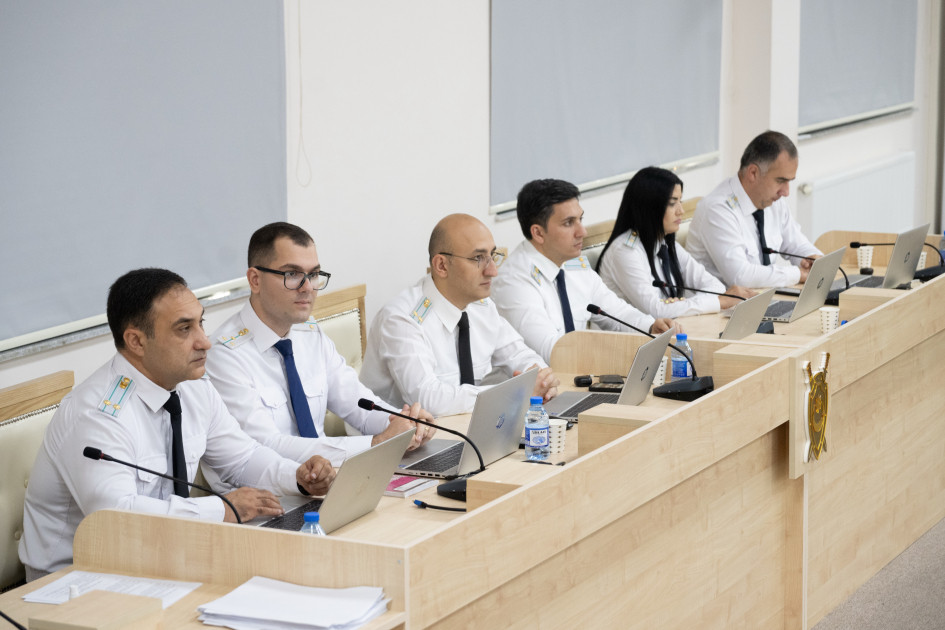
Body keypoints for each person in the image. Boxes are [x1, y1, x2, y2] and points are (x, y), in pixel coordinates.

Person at [19, 268, 336, 578]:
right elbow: (117, 517)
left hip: (165, 556)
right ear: (136, 341)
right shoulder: (97, 416)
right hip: (77, 579)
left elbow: (241, 457)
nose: (205, 342)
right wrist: (222, 509)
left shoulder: (193, 386)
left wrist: (297, 477)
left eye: (201, 323)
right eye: (184, 329)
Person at [205, 222, 434, 472]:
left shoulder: (309, 333)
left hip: (329, 476)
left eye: (313, 274)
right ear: (255, 280)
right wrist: (376, 444)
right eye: (292, 274)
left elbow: (359, 404)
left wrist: (403, 422)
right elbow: (266, 447)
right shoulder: (224, 355)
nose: (307, 287)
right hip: (268, 490)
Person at [360, 214, 560, 416]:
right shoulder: (402, 320)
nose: (492, 271)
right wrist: (513, 393)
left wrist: (542, 380)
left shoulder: (481, 306)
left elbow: (519, 354)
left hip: (463, 425)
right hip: (401, 433)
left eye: (492, 256)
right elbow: (427, 399)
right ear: (441, 266)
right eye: (478, 258)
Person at [491, 178, 676, 363]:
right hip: (542, 378)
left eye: (580, 219)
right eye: (568, 223)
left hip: (573, 372)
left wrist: (650, 326)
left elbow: (617, 312)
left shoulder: (572, 265)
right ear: (538, 233)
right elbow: (551, 351)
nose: (582, 232)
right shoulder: (514, 282)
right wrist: (611, 357)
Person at [596, 166, 754, 318]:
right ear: (650, 207)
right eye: (672, 203)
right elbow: (655, 311)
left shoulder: (665, 244)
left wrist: (682, 305)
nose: (681, 211)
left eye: (680, 201)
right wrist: (716, 302)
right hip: (633, 336)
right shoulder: (625, 252)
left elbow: (715, 286)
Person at [685, 130, 822, 288]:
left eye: (789, 182)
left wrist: (811, 259)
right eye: (780, 181)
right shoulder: (717, 210)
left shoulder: (773, 202)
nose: (786, 192)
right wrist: (797, 274)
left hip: (761, 297)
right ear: (753, 173)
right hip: (723, 303)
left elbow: (796, 244)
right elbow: (741, 277)